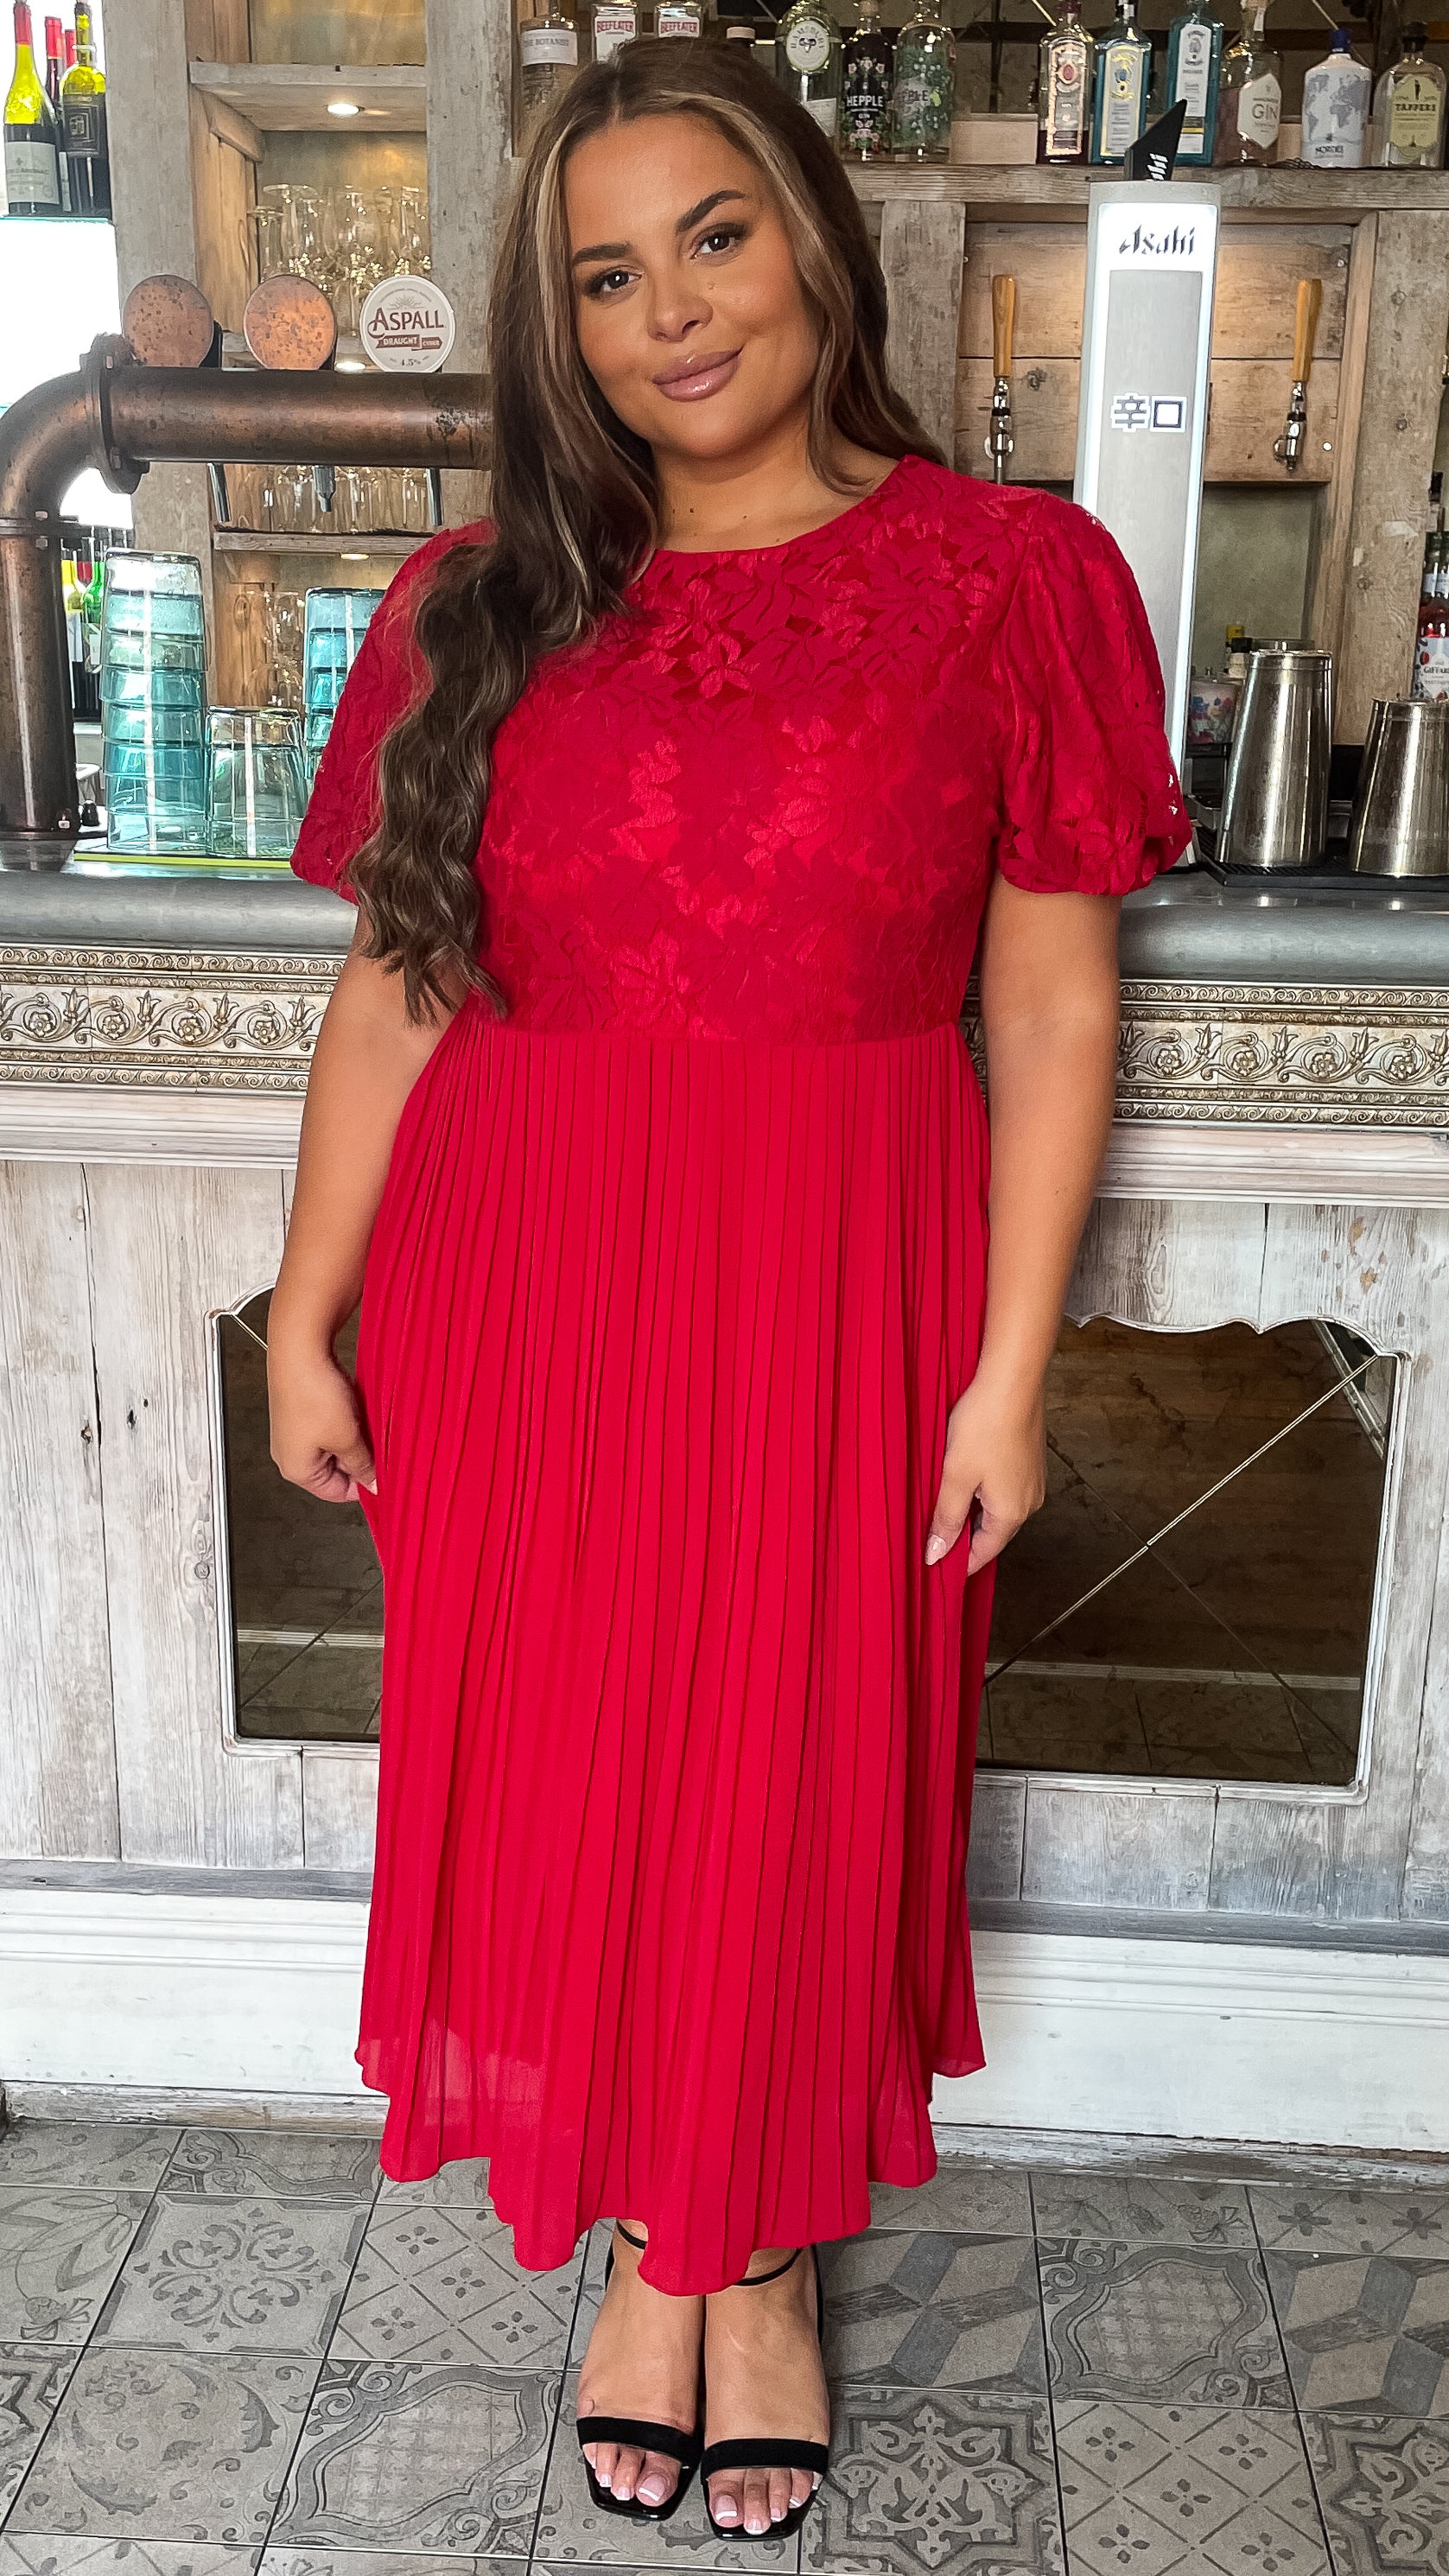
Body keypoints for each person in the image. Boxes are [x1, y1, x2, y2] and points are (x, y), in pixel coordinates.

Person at [270, 35, 1190, 2550]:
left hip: (838, 1273)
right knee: (576, 1770)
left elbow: (1051, 1006)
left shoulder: (1013, 580)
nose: (670, 312)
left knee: (791, 1771)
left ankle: (752, 2252)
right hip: (522, 1275)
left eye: (713, 236)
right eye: (604, 275)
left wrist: (1008, 1373)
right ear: (553, 327)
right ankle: (643, 2248)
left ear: (815, 242)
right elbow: (400, 982)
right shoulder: (476, 604)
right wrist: (305, 1306)